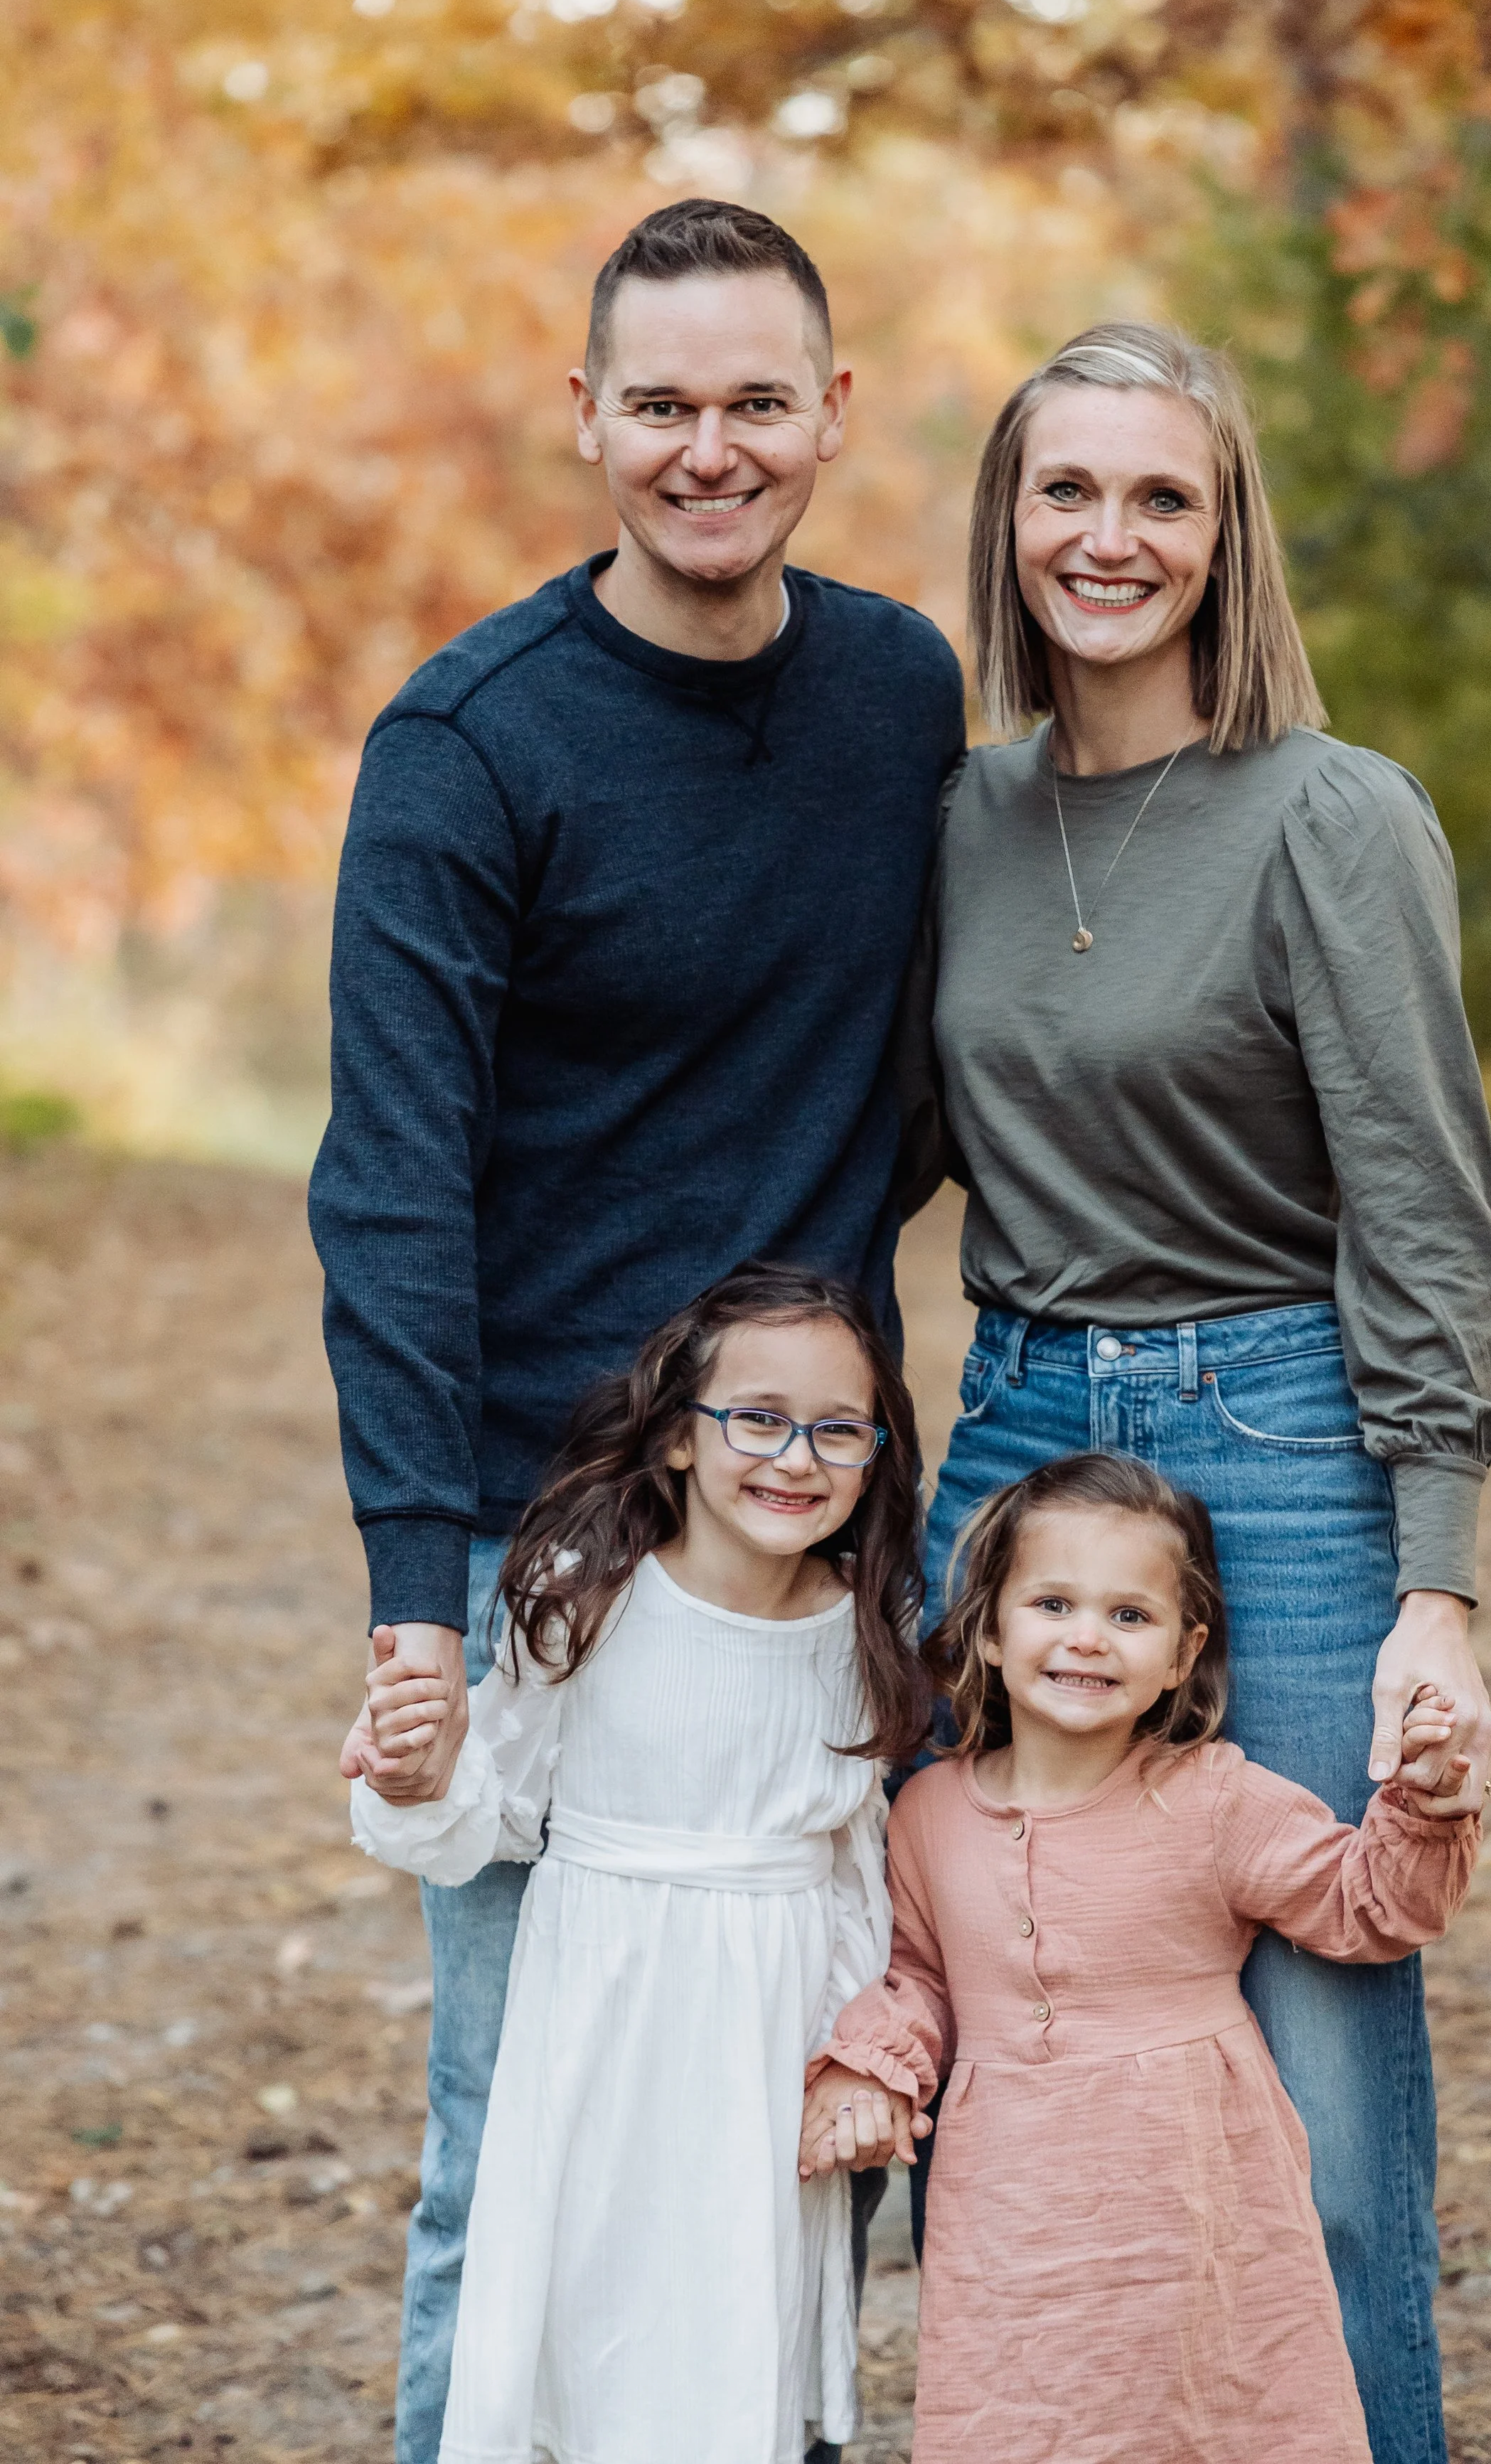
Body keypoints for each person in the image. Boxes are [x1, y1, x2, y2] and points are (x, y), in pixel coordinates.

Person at [308, 196, 965, 2464]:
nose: (711, 447)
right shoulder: (467, 743)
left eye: (754, 400)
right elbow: (389, 1182)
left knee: (817, 2115)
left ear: (830, 413)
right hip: (545, 1539)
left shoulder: (898, 694)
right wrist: (422, 1584)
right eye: (661, 403)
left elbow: (913, 1066)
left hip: (810, 1528)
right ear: (583, 413)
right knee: (518, 2140)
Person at [897, 321, 1491, 2464]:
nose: (1109, 535)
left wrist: (1432, 1579)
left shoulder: (1330, 817)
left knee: (1327, 2111)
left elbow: (1421, 1210)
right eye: (1066, 489)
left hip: (1279, 1432)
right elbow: (861, 1138)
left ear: (1224, 533)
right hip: (1012, 1455)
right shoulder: (957, 819)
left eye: (1161, 495)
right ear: (1008, 520)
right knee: (1005, 2050)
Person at [351, 1268, 929, 2464]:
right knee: (590, 2306)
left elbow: (850, 1876)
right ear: (676, 1433)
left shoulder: (865, 1628)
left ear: (876, 1452)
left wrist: (853, 2051)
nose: (796, 1457)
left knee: (732, 2314)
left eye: (838, 1429)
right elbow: (496, 1812)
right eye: (757, 1417)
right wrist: (420, 1779)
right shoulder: (587, 1601)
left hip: (766, 2041)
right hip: (604, 2028)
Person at [800, 1452, 1480, 2463]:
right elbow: (922, 1979)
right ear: (988, 1628)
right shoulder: (930, 1810)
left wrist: (1423, 1803)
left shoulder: (1212, 1797)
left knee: (1216, 2413)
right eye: (1053, 1602)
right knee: (1028, 2418)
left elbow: (1367, 1906)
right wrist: (873, 2066)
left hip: (1196, 2200)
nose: (1087, 1636)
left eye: (1130, 1615)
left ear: (1182, 1652)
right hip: (1014, 2221)